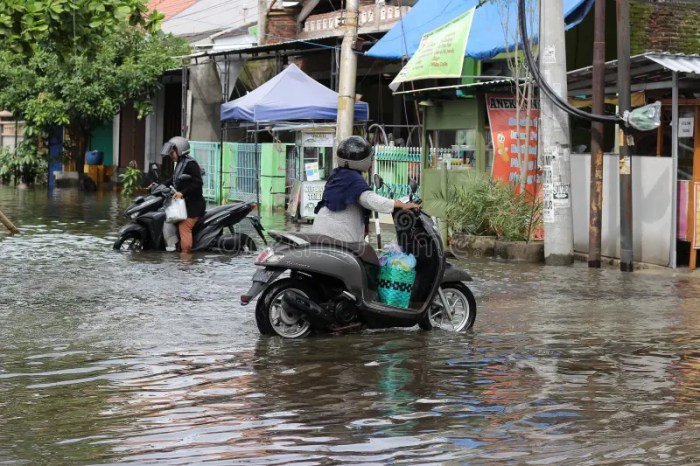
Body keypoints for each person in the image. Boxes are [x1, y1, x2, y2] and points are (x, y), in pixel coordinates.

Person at [311, 136, 419, 243]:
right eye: (369, 157)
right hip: (337, 236)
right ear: (360, 160)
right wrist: (399, 204)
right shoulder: (352, 178)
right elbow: (368, 199)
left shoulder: (337, 175)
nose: (371, 160)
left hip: (321, 230)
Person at [159, 136, 206, 253]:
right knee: (167, 221)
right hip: (182, 205)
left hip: (193, 206)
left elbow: (198, 183)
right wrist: (158, 185)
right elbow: (174, 179)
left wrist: (182, 193)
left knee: (184, 227)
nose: (171, 156)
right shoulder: (180, 163)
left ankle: (186, 258)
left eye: (172, 153)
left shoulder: (191, 164)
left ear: (180, 150)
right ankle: (172, 248)